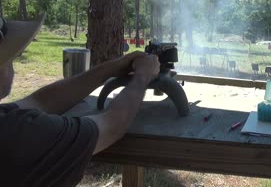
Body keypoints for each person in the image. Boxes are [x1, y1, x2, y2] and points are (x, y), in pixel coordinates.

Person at [0, 14, 160, 186]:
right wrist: (143, 76)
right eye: (9, 58)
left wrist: (111, 68)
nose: (12, 63)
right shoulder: (21, 136)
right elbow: (113, 124)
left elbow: (40, 102)